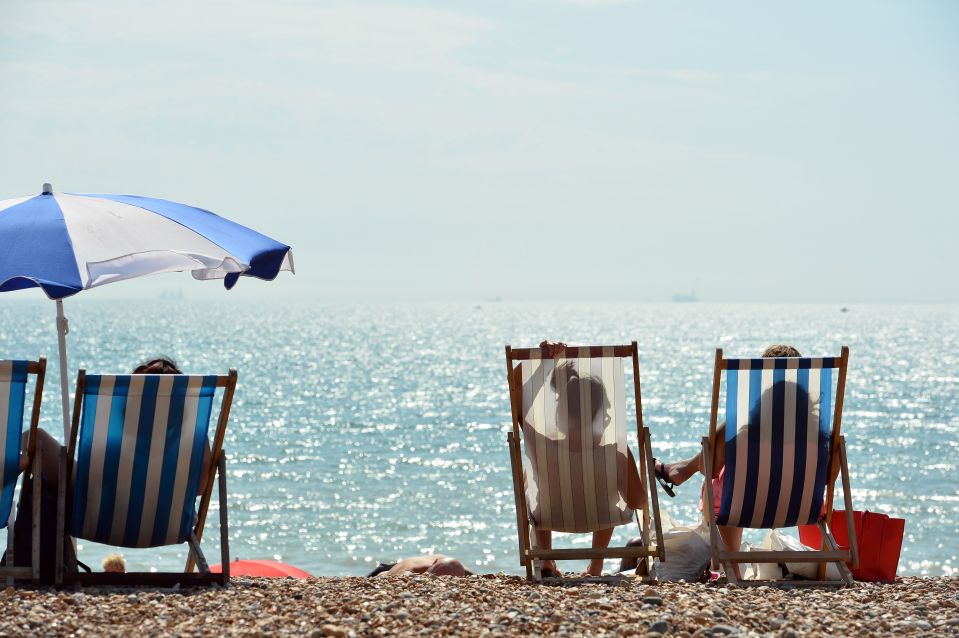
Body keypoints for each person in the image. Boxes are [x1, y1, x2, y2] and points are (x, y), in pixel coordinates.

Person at [654, 344, 801, 577]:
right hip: (798, 504)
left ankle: (732, 568)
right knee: (734, 474)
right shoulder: (818, 431)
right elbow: (829, 477)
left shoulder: (741, 426)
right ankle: (681, 470)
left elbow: (710, 470)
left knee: (727, 481)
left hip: (741, 505)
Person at [526, 341, 647, 578]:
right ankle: (596, 566)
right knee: (610, 489)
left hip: (548, 516)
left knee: (530, 477)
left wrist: (545, 365)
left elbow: (520, 403)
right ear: (601, 411)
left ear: (559, 412)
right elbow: (638, 501)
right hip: (603, 515)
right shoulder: (616, 453)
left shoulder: (541, 446)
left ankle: (546, 562)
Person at [367, 555, 473, 577]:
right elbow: (404, 576)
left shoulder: (445, 559)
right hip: (389, 568)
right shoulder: (412, 568)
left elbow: (468, 572)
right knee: (382, 574)